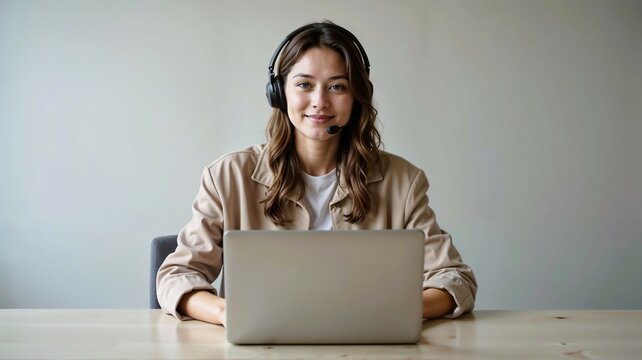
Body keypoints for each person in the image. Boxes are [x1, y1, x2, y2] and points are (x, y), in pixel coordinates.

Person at [157, 21, 477, 326]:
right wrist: (228, 312)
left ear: (356, 97)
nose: (320, 102)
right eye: (304, 85)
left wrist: (393, 312)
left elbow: (455, 279)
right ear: (280, 93)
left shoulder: (403, 181)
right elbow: (176, 276)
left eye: (337, 86)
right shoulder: (227, 176)